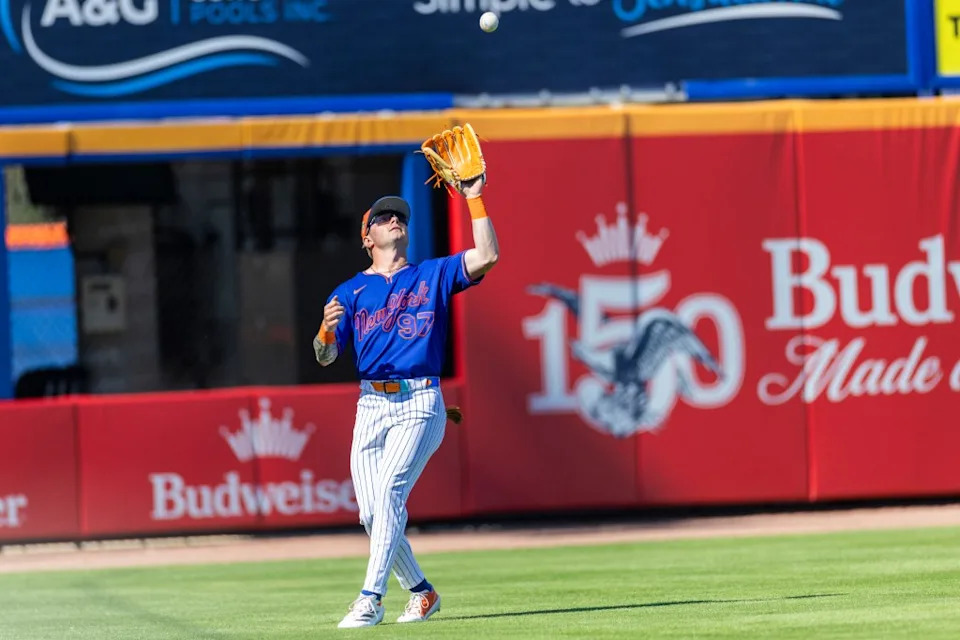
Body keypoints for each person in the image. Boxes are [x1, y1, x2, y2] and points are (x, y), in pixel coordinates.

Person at [313, 176, 498, 628]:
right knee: (372, 513)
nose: (393, 219)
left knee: (391, 490)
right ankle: (422, 592)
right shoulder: (349, 292)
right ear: (367, 236)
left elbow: (488, 256)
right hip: (371, 404)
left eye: (399, 216)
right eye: (382, 217)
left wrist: (474, 198)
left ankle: (370, 598)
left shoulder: (431, 274)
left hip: (420, 400)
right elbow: (326, 356)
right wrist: (322, 332)